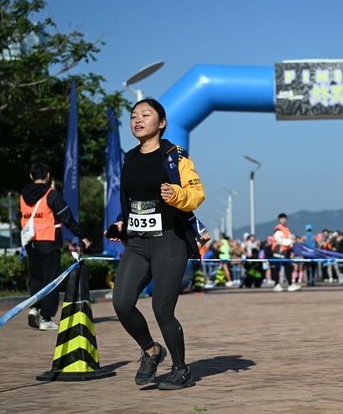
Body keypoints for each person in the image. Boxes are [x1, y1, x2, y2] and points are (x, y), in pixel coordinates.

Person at [107, 98, 205, 390]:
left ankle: (181, 370)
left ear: (161, 123)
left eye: (145, 115)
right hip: (137, 243)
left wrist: (175, 194)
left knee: (162, 310)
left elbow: (196, 194)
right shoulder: (129, 158)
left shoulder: (175, 156)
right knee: (122, 303)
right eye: (133, 116)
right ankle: (151, 351)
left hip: (169, 241)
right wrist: (122, 222)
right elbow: (132, 202)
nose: (137, 120)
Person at [20, 162, 91, 330]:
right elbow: (67, 218)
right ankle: (46, 318)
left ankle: (34, 308)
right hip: (49, 242)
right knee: (51, 280)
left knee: (36, 278)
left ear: (31, 176)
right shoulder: (51, 195)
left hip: (30, 243)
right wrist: (83, 236)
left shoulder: (23, 195)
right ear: (48, 175)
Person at [272, 213, 300, 292]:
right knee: (276, 269)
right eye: (282, 219)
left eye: (284, 218)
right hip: (278, 252)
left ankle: (290, 284)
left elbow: (289, 238)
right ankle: (276, 284)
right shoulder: (278, 229)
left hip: (286, 252)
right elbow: (280, 240)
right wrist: (291, 241)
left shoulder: (287, 229)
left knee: (288, 268)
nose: (283, 220)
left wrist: (292, 243)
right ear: (279, 220)